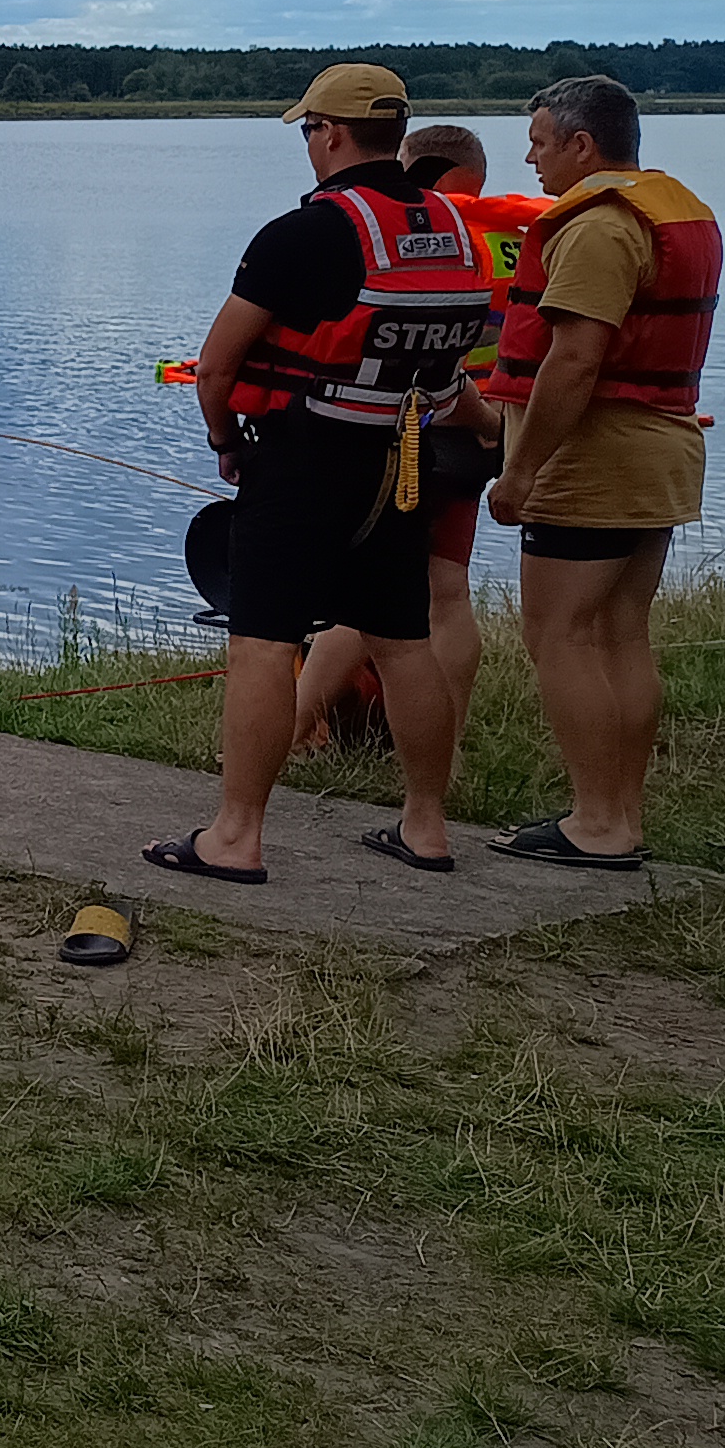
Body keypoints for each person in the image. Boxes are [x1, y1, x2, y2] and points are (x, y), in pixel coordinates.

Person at [154, 65, 493, 882]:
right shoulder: (454, 232)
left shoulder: (300, 235)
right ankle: (427, 827)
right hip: (402, 463)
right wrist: (490, 431)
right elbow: (448, 373)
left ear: (332, 133)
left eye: (309, 129)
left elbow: (216, 368)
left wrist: (225, 440)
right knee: (404, 640)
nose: (309, 143)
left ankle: (236, 837)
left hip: (303, 460)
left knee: (262, 643)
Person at [482, 74, 720, 870]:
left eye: (540, 142)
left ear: (582, 145)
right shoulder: (671, 209)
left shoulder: (598, 228)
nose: (531, 158)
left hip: (592, 462)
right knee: (621, 633)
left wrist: (520, 473)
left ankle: (597, 821)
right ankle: (621, 816)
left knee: (558, 635)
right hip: (660, 453)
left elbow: (575, 358)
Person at [290, 122, 527, 766]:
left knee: (363, 594)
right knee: (447, 592)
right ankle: (443, 744)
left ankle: (293, 731)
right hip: (486, 429)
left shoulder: (427, 235)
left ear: (422, 173)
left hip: (413, 428)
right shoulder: (518, 233)